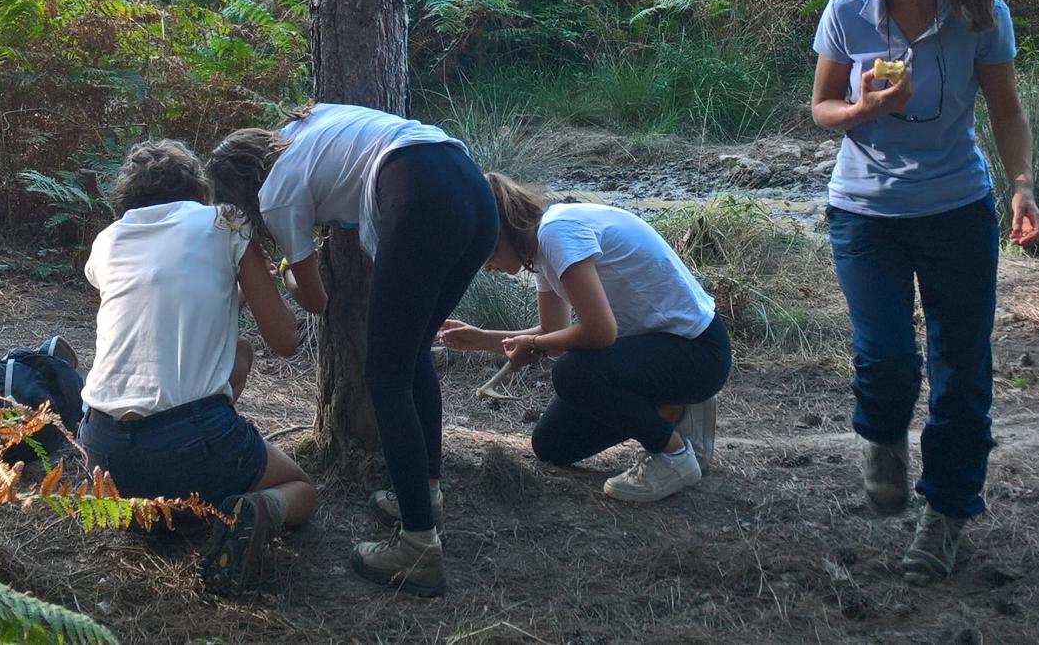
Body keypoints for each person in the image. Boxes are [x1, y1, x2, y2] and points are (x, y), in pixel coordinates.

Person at [809, 0, 1039, 584]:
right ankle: (882, 439)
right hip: (864, 213)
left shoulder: (979, 16)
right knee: (885, 361)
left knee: (961, 369)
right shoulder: (847, 16)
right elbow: (819, 107)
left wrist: (1023, 184)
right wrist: (862, 108)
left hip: (956, 212)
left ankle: (947, 513)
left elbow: (1005, 112)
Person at [208, 103, 497, 599]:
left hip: (419, 193)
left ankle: (418, 548)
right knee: (411, 356)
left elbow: (317, 299)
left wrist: (284, 271)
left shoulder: (276, 195)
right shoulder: (302, 126)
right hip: (469, 186)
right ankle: (425, 498)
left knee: (384, 377)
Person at [77, 140, 316, 597]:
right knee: (301, 489)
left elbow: (172, 307)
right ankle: (244, 505)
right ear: (198, 189)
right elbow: (285, 341)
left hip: (102, 453)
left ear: (128, 199)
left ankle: (183, 504)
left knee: (238, 351)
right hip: (188, 439)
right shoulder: (226, 222)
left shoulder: (108, 241)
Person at [437, 175, 731, 502]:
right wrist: (481, 339)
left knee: (572, 373)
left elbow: (600, 332)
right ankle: (674, 407)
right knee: (552, 445)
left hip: (698, 353)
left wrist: (533, 345)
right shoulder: (541, 248)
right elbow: (554, 334)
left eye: (484, 252)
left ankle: (673, 456)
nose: (485, 266)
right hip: (658, 351)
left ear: (501, 229)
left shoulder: (556, 233)